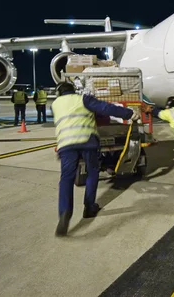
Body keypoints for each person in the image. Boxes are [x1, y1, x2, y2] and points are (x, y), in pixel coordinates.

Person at [51, 82, 141, 237]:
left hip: (66, 144)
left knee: (66, 178)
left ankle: (64, 213)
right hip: (87, 141)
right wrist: (129, 113)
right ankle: (89, 207)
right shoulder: (82, 99)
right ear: (73, 90)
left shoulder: (55, 104)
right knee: (92, 172)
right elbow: (106, 108)